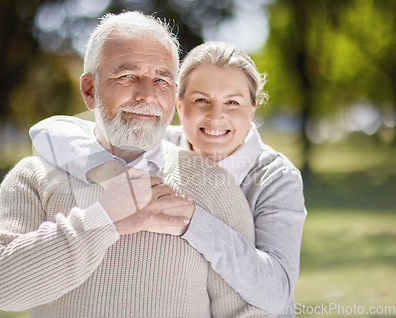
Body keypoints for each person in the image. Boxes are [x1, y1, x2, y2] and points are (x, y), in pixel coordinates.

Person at [0, 12, 264, 317]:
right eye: (127, 76)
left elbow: (247, 310)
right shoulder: (33, 177)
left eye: (161, 79)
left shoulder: (212, 182)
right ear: (90, 90)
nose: (147, 94)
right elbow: (4, 289)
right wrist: (103, 219)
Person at [29, 41, 307, 316]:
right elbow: (49, 130)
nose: (216, 116)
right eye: (202, 100)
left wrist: (193, 222)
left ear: (252, 108)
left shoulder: (276, 177)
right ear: (179, 104)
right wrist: (111, 175)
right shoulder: (160, 146)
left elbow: (277, 292)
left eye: (233, 102)